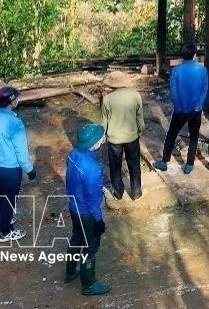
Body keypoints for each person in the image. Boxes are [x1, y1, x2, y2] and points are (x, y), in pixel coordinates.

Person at [64, 123, 111, 296]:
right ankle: (89, 285)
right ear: (95, 142)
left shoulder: (73, 154)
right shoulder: (92, 167)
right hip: (87, 213)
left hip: (74, 207)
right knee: (90, 248)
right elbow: (92, 198)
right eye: (100, 137)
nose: (102, 139)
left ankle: (70, 272)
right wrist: (98, 219)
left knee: (76, 238)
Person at [0, 86, 35, 242]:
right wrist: (29, 169)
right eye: (16, 97)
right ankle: (6, 232)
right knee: (10, 198)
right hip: (11, 168)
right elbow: (21, 151)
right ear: (12, 101)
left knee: (0, 192)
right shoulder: (15, 122)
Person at [155, 43, 208, 174]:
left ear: (182, 55)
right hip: (195, 110)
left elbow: (174, 92)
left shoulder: (176, 70)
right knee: (194, 136)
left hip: (180, 109)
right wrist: (197, 107)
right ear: (195, 54)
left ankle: (164, 161)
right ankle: (189, 164)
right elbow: (204, 90)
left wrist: (179, 109)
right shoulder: (202, 70)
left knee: (171, 134)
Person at [100, 71, 143, 201]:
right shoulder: (136, 96)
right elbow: (139, 118)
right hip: (131, 136)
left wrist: (102, 136)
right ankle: (136, 193)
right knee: (134, 164)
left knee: (115, 165)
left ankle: (118, 193)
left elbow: (103, 121)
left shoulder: (107, 99)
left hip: (114, 138)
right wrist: (139, 131)